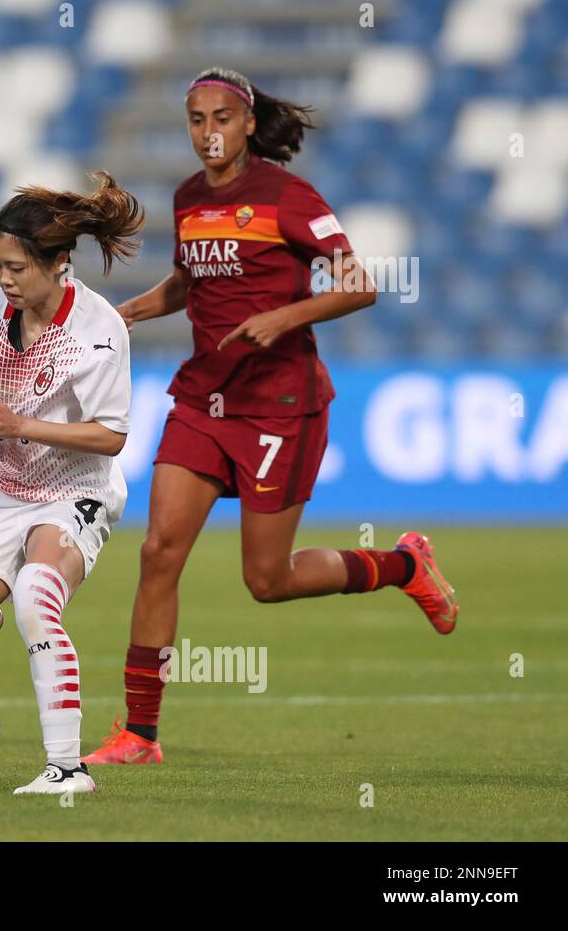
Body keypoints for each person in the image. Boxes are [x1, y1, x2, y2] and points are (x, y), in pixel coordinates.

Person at [83, 68, 458, 767]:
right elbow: (191, 281)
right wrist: (131, 310)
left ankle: (404, 565)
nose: (207, 133)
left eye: (221, 118)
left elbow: (359, 284)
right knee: (159, 552)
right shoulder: (189, 198)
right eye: (195, 119)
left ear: (249, 123)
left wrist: (284, 316)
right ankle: (139, 733)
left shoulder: (290, 198)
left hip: (279, 405)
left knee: (268, 581)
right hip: (203, 398)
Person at [0, 172, 142, 793]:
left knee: (38, 598)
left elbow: (112, 436)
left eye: (16, 267)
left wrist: (20, 422)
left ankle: (66, 769)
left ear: (58, 263)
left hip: (77, 489)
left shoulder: (97, 329)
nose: (5, 280)